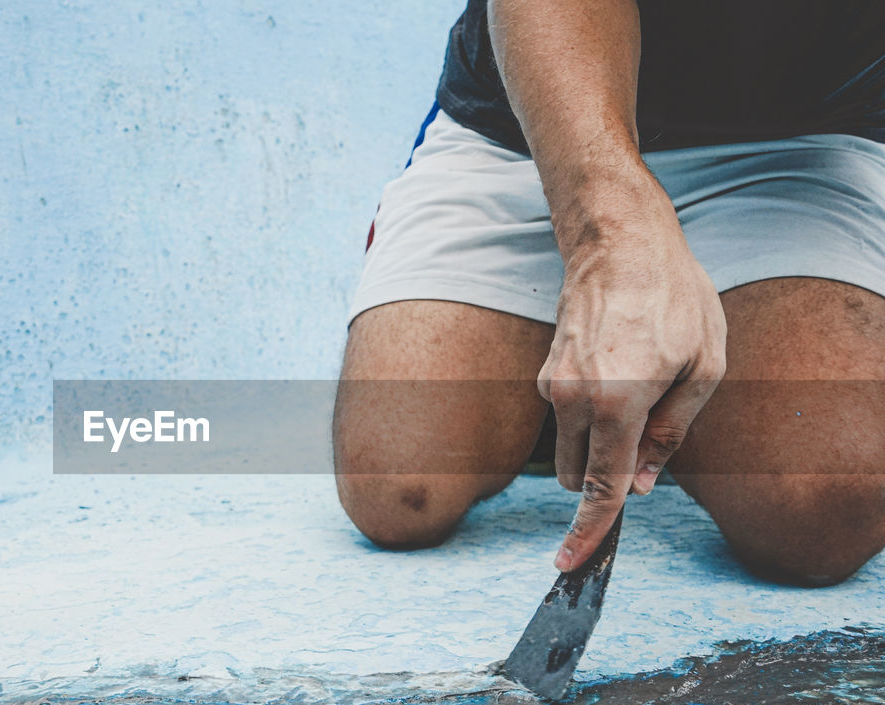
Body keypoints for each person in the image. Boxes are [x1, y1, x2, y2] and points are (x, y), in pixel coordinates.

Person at [334, 0, 885, 586]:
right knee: (393, 488)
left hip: (800, 143)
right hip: (535, 120)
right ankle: (577, 375)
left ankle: (664, 374)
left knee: (822, 510)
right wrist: (610, 235)